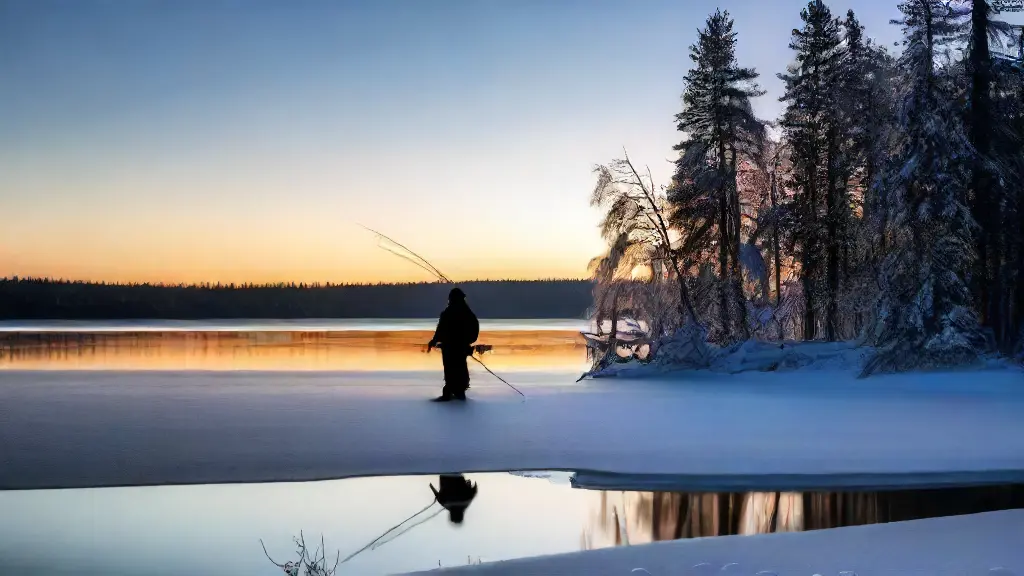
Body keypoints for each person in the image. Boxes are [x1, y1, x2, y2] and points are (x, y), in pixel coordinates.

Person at [427, 287, 479, 401]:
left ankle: (450, 393)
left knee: (451, 370)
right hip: (460, 348)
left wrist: (434, 341)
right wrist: (467, 342)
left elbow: (440, 330)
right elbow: (474, 331)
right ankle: (459, 392)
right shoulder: (468, 313)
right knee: (460, 369)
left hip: (451, 348)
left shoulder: (448, 312)